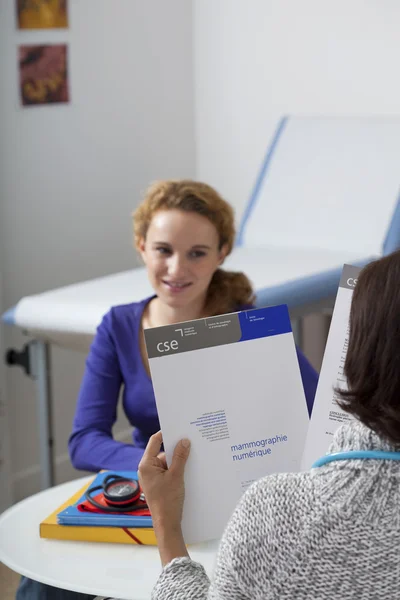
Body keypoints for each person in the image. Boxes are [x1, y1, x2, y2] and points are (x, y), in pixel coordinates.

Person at [16, 180, 318, 600]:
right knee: (41, 587)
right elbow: (85, 441)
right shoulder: (119, 325)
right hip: (151, 494)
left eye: (197, 253)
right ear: (141, 246)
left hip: (240, 501)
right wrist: (158, 468)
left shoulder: (248, 326)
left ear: (222, 253)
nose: (177, 269)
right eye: (163, 250)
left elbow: (320, 414)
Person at [137, 249, 400, 599]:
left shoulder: (273, 510)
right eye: (163, 250)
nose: (178, 266)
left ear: (358, 353)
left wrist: (167, 528)